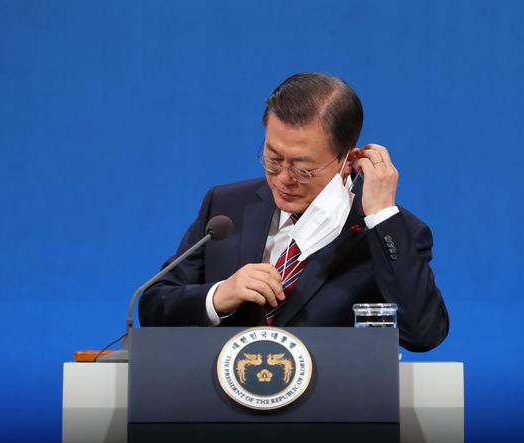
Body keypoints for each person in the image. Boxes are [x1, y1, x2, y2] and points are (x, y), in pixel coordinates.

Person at [139, 73, 449, 352]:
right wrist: (219, 296)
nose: (283, 179)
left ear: (349, 161)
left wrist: (381, 216)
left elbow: (424, 334)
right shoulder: (225, 206)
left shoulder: (393, 231)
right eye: (273, 159)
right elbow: (152, 306)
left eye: (303, 169)